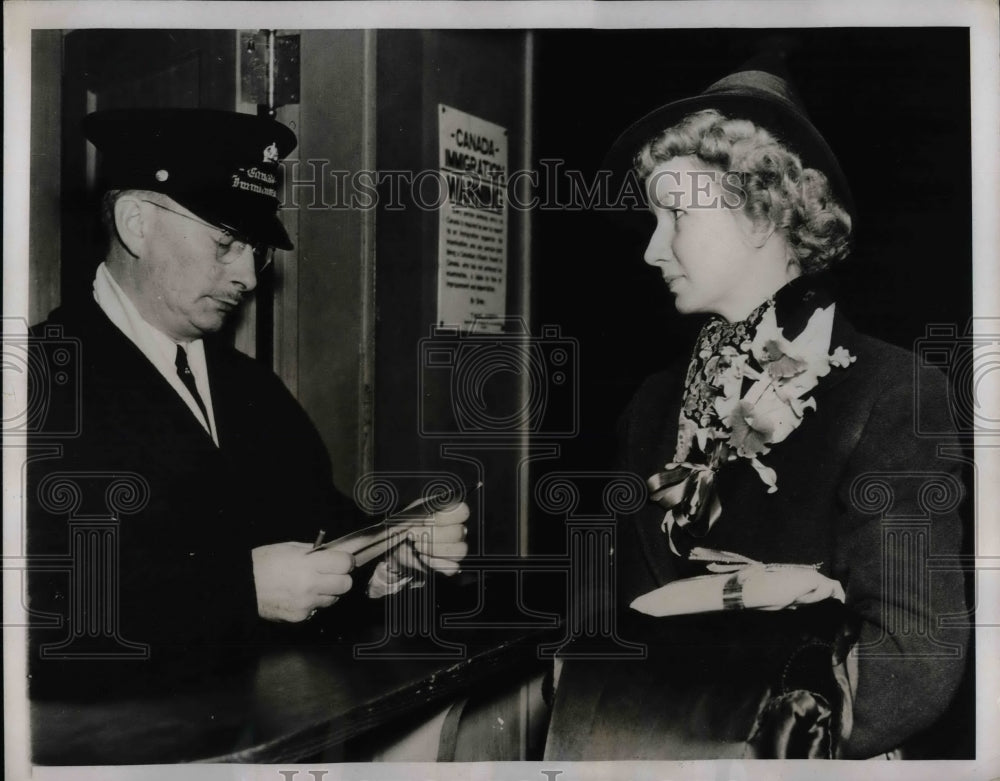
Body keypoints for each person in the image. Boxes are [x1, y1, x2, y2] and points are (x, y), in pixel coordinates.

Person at [544, 58, 969, 760]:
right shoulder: (651, 403)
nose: (653, 249)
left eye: (675, 214)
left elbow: (918, 654)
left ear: (761, 211)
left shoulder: (890, 390)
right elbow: (600, 621)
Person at [27, 108, 468, 699]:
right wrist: (242, 592)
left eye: (253, 250)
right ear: (136, 224)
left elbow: (318, 524)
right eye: (226, 242)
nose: (249, 277)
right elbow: (39, 614)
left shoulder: (253, 389)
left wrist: (387, 559)